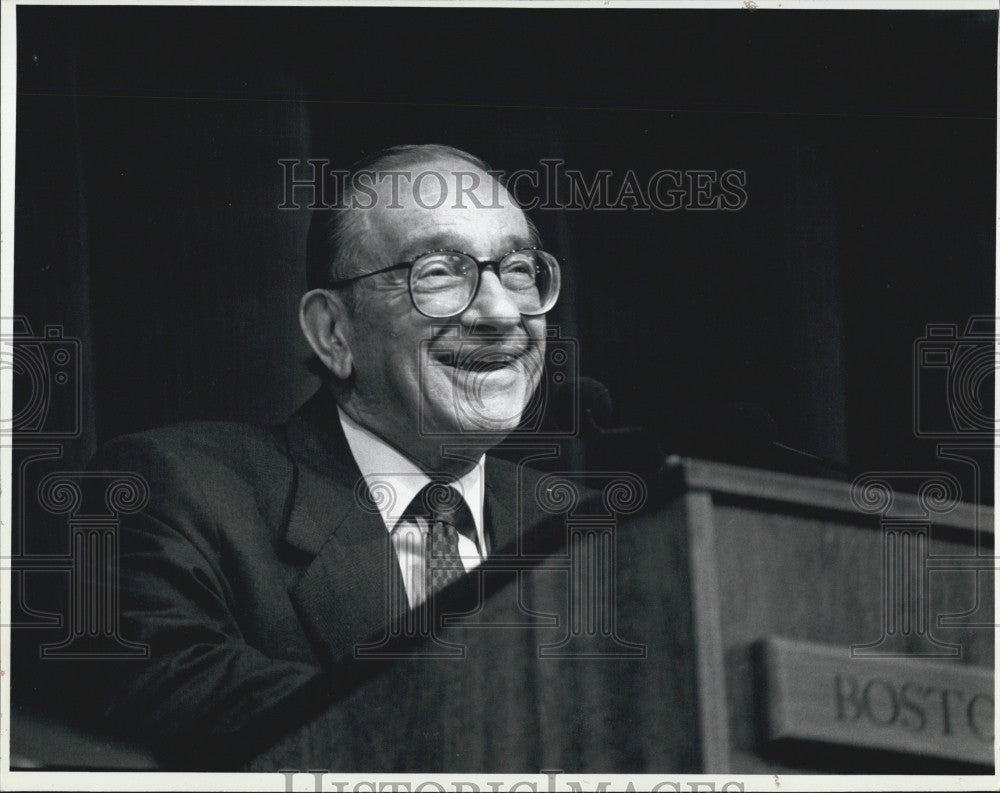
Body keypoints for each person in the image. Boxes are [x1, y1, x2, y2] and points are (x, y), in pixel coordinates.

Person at [79, 144, 564, 766]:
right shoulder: (175, 490)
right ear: (334, 332)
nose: (501, 312)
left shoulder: (592, 529)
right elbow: (186, 709)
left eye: (519, 270)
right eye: (440, 272)